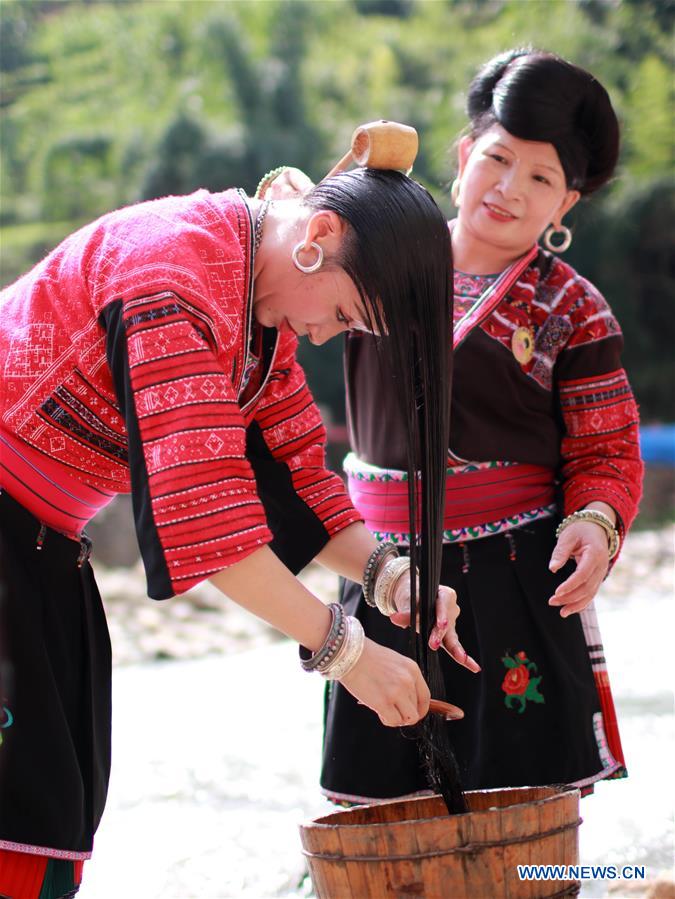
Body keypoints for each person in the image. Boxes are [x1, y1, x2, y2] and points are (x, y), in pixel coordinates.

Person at [0, 167, 470, 897]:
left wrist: (390, 575)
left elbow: (291, 476)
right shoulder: (169, 273)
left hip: (42, 540)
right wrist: (348, 654)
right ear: (319, 235)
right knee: (20, 808)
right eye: (344, 314)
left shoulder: (256, 293)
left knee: (53, 806)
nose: (321, 334)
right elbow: (203, 516)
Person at [314, 49, 644, 804]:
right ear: (463, 156)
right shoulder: (374, 257)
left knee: (524, 811)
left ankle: (568, 884)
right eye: (497, 158)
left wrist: (595, 522)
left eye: (540, 178)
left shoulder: (572, 308)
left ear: (565, 205)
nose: (508, 188)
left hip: (515, 577)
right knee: (383, 811)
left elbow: (605, 445)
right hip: (381, 571)